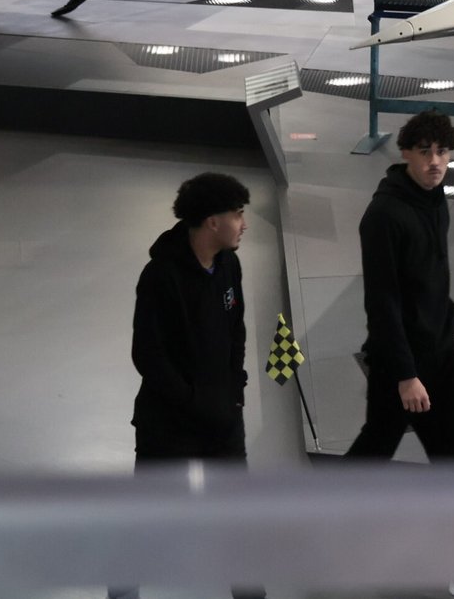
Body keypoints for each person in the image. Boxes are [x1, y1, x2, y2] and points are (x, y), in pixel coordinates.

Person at [345, 111, 454, 599]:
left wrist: (444, 329)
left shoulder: (434, 198)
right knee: (396, 447)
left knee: (444, 453)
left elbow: (431, 279)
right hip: (403, 364)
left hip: (440, 352)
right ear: (405, 152)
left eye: (442, 152)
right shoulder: (383, 217)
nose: (435, 162)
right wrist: (406, 374)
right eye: (424, 152)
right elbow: (382, 303)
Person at [110, 172, 261, 599]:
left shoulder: (229, 264)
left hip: (223, 420)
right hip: (169, 426)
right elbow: (148, 355)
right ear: (212, 221)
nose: (244, 224)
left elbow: (236, 331)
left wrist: (234, 389)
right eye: (237, 214)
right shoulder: (160, 276)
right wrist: (195, 403)